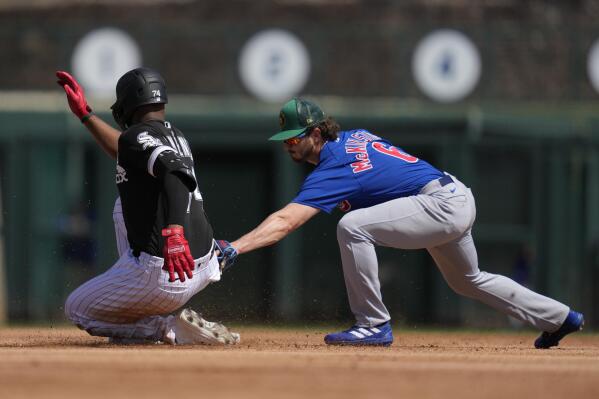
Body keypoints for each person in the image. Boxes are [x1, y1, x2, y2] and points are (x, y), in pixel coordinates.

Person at [220, 97, 584, 348]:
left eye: (295, 137)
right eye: (285, 139)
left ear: (317, 134)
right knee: (467, 280)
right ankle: (560, 318)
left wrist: (236, 246)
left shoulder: (333, 167)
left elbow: (286, 221)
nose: (289, 145)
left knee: (352, 226)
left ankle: (372, 324)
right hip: (452, 194)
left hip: (439, 204)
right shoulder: (355, 137)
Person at [56, 68, 239, 345]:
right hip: (201, 266)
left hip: (167, 273)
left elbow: (175, 176)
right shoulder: (175, 135)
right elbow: (129, 150)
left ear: (128, 104)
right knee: (123, 205)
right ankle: (137, 308)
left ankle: (167, 329)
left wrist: (175, 233)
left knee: (76, 308)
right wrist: (86, 115)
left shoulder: (136, 136)